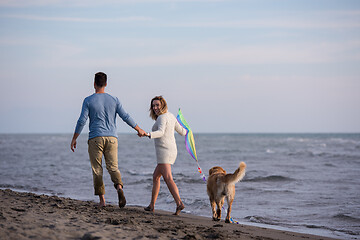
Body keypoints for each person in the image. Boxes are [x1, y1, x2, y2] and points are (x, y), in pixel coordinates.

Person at [70, 72, 146, 208]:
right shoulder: (114, 99)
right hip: (112, 138)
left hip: (95, 138)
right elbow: (125, 116)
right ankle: (119, 188)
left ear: (94, 84)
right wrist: (138, 129)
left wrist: (74, 138)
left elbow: (82, 120)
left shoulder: (88, 100)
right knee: (113, 167)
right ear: (106, 84)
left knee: (97, 169)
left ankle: (102, 201)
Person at [143, 96, 187, 215]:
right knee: (156, 177)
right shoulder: (171, 116)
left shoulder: (162, 118)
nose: (155, 108)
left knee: (168, 178)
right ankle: (152, 205)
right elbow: (183, 132)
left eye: (157, 105)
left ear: (163, 105)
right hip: (171, 150)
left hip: (165, 151)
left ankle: (179, 203)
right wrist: (187, 128)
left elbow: (161, 132)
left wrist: (148, 134)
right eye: (153, 106)